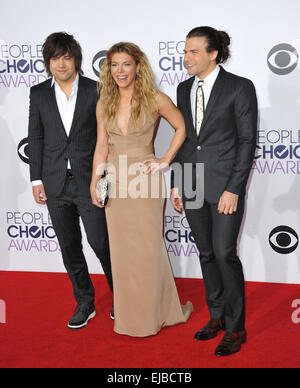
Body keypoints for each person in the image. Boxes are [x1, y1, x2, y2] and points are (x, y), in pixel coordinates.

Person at [90, 42, 193, 337]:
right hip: (115, 180)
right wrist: (95, 181)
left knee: (148, 248)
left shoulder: (154, 98)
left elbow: (182, 127)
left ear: (138, 67)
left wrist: (164, 160)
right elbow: (102, 145)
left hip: (144, 180)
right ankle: (129, 315)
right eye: (114, 65)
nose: (119, 71)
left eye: (126, 64)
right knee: (122, 251)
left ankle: (153, 313)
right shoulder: (104, 102)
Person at [171, 26, 258, 356]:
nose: (187, 57)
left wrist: (233, 189)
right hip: (190, 178)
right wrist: (178, 182)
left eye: (194, 51)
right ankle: (217, 315)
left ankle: (236, 328)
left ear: (213, 54)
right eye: (185, 51)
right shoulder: (182, 89)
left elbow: (247, 141)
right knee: (206, 253)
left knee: (224, 253)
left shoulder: (239, 87)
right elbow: (185, 140)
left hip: (225, 185)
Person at [28, 32, 113, 330]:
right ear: (47, 62)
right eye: (54, 58)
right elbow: (36, 137)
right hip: (54, 183)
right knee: (69, 247)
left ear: (76, 59)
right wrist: (36, 180)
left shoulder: (96, 90)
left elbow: (107, 139)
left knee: (101, 242)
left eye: (66, 57)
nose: (61, 64)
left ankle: (122, 296)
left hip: (90, 181)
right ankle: (85, 301)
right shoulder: (38, 93)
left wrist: (103, 179)